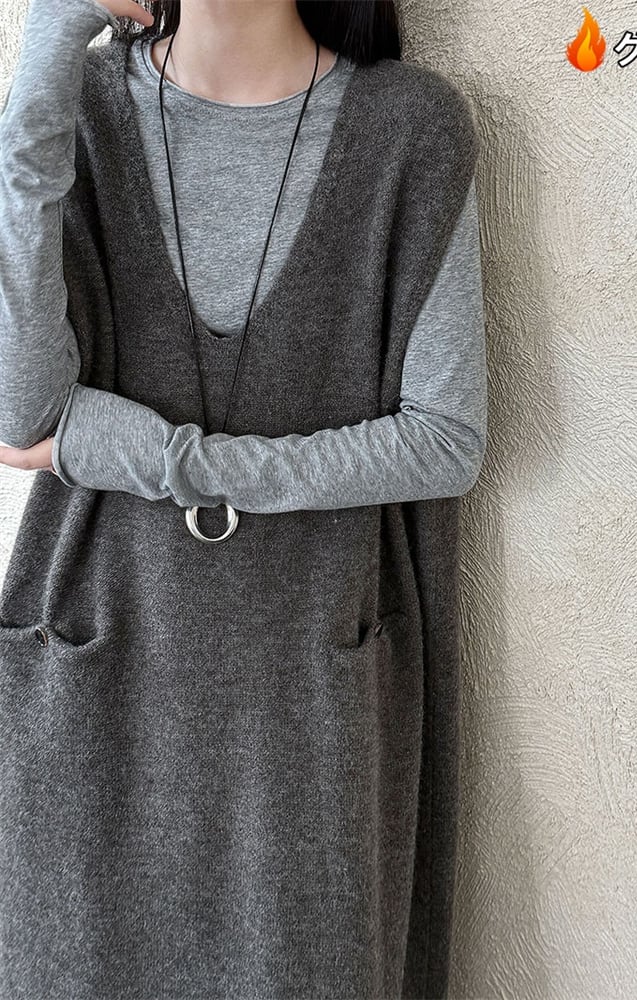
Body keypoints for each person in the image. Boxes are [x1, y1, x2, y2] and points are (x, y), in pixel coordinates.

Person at [0, 0, 486, 996]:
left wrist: (166, 458)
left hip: (310, 695)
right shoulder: (80, 107)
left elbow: (446, 440)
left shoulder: (409, 129)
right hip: (97, 677)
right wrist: (50, 38)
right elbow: (21, 410)